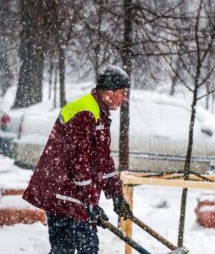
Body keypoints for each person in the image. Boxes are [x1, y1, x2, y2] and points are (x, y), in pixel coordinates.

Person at [23, 65, 133, 253]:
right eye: (122, 93)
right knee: (84, 248)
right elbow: (79, 162)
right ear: (109, 92)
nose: (125, 98)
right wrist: (90, 202)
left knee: (68, 249)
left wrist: (116, 195)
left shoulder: (99, 113)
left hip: (71, 195)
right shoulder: (85, 113)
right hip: (62, 194)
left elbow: (103, 160)